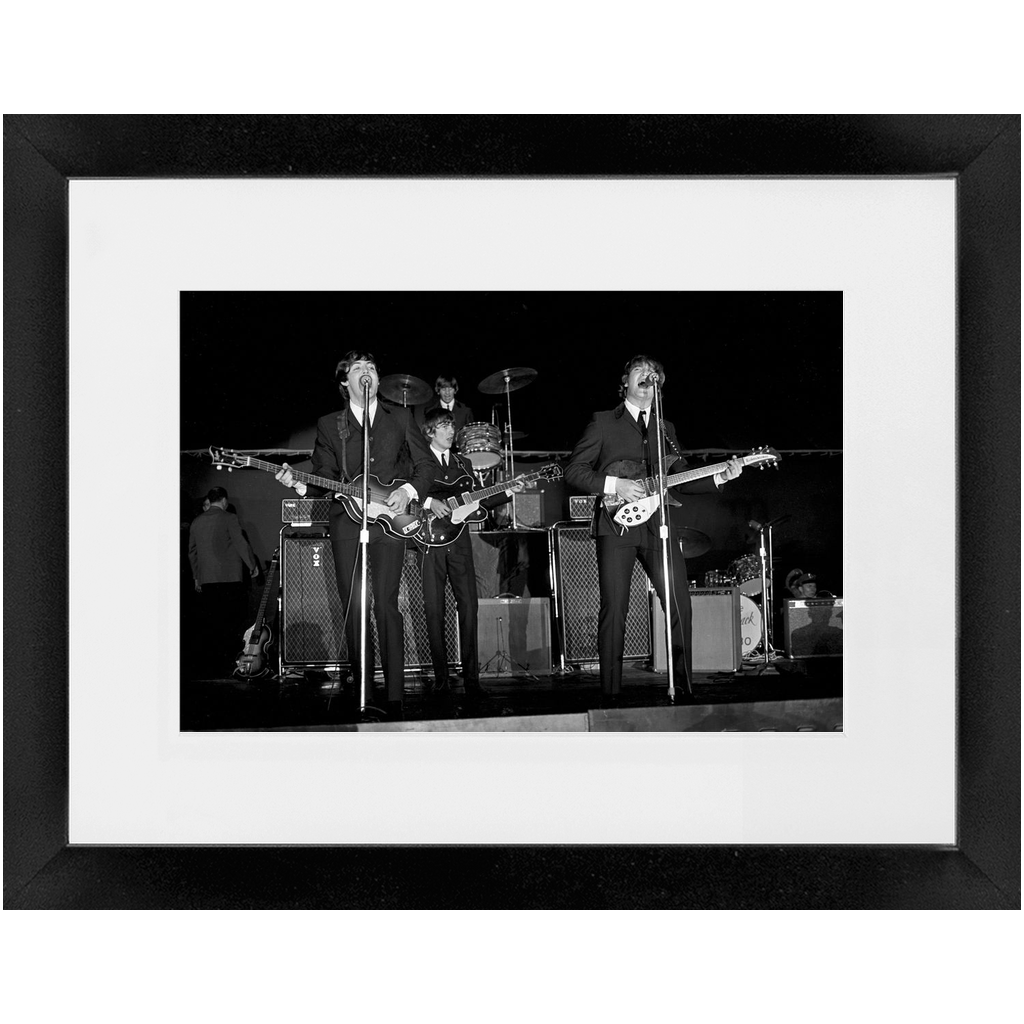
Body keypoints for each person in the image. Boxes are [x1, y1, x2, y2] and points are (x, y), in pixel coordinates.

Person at [565, 355, 744, 705]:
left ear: (659, 386)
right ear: (626, 382)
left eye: (654, 374)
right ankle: (611, 694)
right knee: (615, 608)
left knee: (679, 603)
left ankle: (684, 685)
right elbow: (575, 470)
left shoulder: (665, 428)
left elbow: (681, 477)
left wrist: (720, 477)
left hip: (658, 524)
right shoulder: (603, 422)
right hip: (616, 526)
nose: (647, 377)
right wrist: (614, 484)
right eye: (639, 372)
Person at [275, 351, 437, 719]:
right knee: (354, 606)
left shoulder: (402, 417)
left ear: (378, 380)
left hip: (392, 519)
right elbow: (324, 474)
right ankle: (364, 691)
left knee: (387, 603)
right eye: (358, 369)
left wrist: (409, 491)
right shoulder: (331, 424)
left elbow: (426, 464)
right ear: (344, 382)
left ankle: (395, 695)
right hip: (348, 522)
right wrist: (299, 485)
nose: (367, 373)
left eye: (373, 369)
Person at [417, 408, 523, 705]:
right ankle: (440, 679)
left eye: (451, 426)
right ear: (429, 432)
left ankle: (472, 679)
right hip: (429, 541)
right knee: (434, 610)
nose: (451, 431)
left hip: (460, 543)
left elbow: (481, 497)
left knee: (469, 607)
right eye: (443, 427)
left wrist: (509, 491)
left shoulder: (463, 462)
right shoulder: (419, 460)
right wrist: (430, 502)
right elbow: (406, 491)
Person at [188, 486, 259, 675]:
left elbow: (192, 553)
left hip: (207, 580)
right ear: (225, 501)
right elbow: (240, 543)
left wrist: (197, 577)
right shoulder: (229, 518)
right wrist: (252, 565)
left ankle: (215, 665)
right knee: (232, 622)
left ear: (209, 501)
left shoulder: (196, 522)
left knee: (213, 623)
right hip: (230, 579)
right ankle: (232, 663)